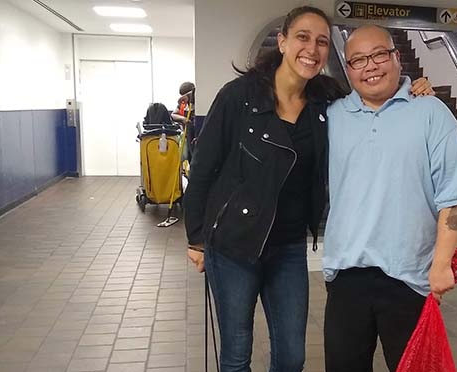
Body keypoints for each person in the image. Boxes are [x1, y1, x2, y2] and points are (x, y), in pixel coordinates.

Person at [183, 7, 433, 372]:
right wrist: (195, 238)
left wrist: (412, 86)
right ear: (283, 41)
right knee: (236, 354)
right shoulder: (239, 96)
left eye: (321, 41)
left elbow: (372, 91)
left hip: (287, 246)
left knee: (292, 356)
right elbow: (203, 169)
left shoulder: (327, 100)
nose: (312, 49)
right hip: (234, 244)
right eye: (303, 37)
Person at [322, 25, 457, 372]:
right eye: (359, 60)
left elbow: (454, 198)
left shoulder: (433, 114)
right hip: (346, 276)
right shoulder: (332, 118)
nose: (371, 66)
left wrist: (440, 264)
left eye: (379, 55)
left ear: (396, 57)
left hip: (410, 277)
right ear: (347, 69)